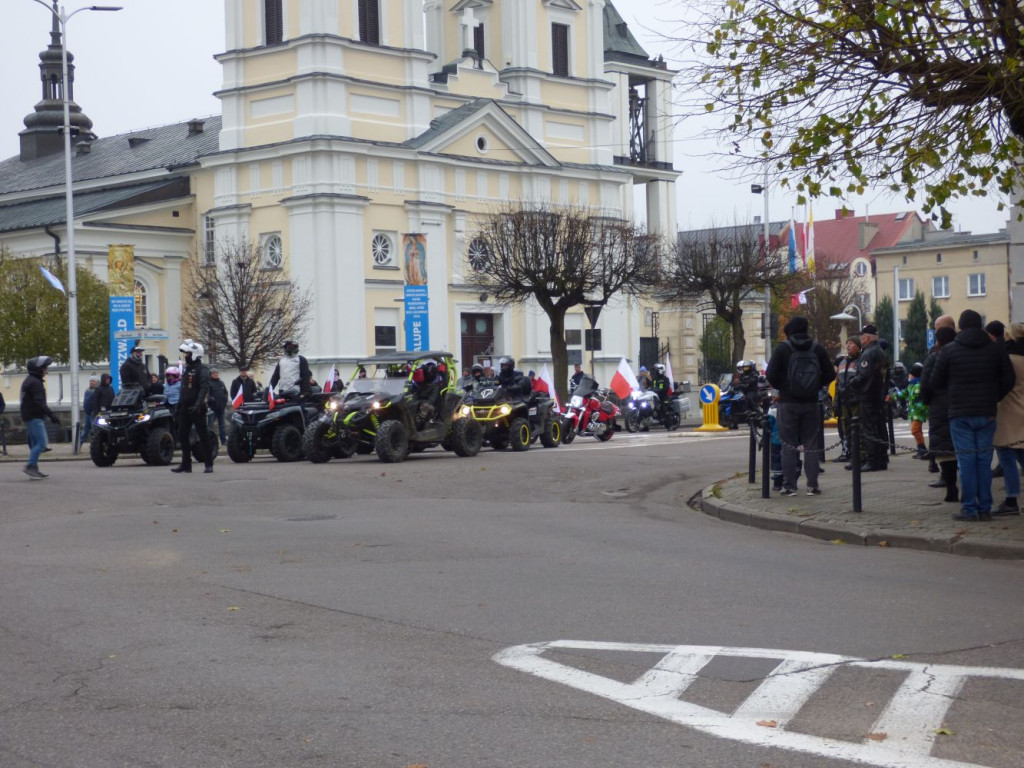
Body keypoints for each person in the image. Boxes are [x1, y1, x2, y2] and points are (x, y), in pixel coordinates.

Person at [929, 309, 1015, 521]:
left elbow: (935, 381)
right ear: (980, 326)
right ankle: (985, 508)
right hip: (987, 413)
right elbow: (1009, 379)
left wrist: (952, 393)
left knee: (966, 461)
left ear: (960, 326)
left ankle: (969, 508)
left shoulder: (949, 350)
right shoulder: (995, 350)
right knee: (983, 462)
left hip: (960, 413)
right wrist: (994, 397)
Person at [765, 315, 835, 496]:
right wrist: (815, 385)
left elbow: (770, 374)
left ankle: (789, 486)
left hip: (788, 403)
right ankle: (813, 485)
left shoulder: (783, 349)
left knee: (788, 444)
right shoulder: (817, 348)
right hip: (811, 402)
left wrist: (784, 387)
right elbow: (830, 374)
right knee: (811, 444)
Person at [920, 322, 958, 502]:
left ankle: (951, 487)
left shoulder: (934, 357)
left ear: (938, 340)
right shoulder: (960, 355)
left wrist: (928, 402)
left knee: (945, 449)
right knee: (961, 448)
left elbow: (925, 385)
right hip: (960, 404)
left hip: (939, 407)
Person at [845, 324, 889, 472]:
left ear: (867, 338)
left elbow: (863, 375)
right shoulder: (882, 352)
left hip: (867, 395)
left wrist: (851, 383)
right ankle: (882, 459)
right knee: (880, 427)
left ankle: (872, 460)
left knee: (869, 428)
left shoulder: (868, 353)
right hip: (878, 395)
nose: (860, 339)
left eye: (862, 336)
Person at [993, 322, 1024, 516]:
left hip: (1008, 410)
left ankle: (1011, 500)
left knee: (1007, 457)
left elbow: (1001, 383)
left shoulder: (1007, 359)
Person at [171, 340, 214, 474]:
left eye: (188, 354)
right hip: (185, 407)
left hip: (197, 408)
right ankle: (186, 464)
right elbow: (183, 389)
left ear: (195, 354)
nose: (186, 356)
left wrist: (198, 405)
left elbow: (204, 388)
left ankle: (208, 464)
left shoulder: (203, 370)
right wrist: (179, 405)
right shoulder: (187, 369)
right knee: (182, 435)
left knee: (203, 435)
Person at [20, 355, 60, 479]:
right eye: (44, 368)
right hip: (34, 417)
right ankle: (30, 466)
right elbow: (40, 402)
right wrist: (52, 415)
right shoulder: (35, 383)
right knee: (41, 443)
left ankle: (34, 469)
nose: (45, 371)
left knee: (35, 444)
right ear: (38, 369)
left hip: (29, 416)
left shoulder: (30, 380)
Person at [834, 338, 862, 462]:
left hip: (856, 400)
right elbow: (838, 383)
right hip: (844, 401)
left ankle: (860, 456)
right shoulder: (842, 363)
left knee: (858, 427)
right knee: (846, 427)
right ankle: (851, 453)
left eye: (851, 343)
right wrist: (836, 402)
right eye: (847, 344)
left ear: (858, 346)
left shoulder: (860, 361)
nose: (848, 346)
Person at [208, 368, 229, 445]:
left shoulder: (221, 383)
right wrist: (211, 399)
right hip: (212, 409)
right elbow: (207, 395)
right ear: (211, 374)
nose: (216, 374)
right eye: (214, 373)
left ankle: (223, 441)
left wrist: (225, 399)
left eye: (217, 373)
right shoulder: (208, 383)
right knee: (210, 426)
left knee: (222, 426)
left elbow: (225, 392)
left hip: (221, 408)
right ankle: (209, 442)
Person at [81, 375, 99, 442]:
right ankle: (79, 444)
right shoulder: (87, 390)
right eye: (90, 381)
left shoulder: (97, 391)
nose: (91, 382)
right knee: (85, 430)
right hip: (87, 413)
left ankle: (95, 443)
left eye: (93, 381)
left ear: (96, 382)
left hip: (93, 413)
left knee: (94, 429)